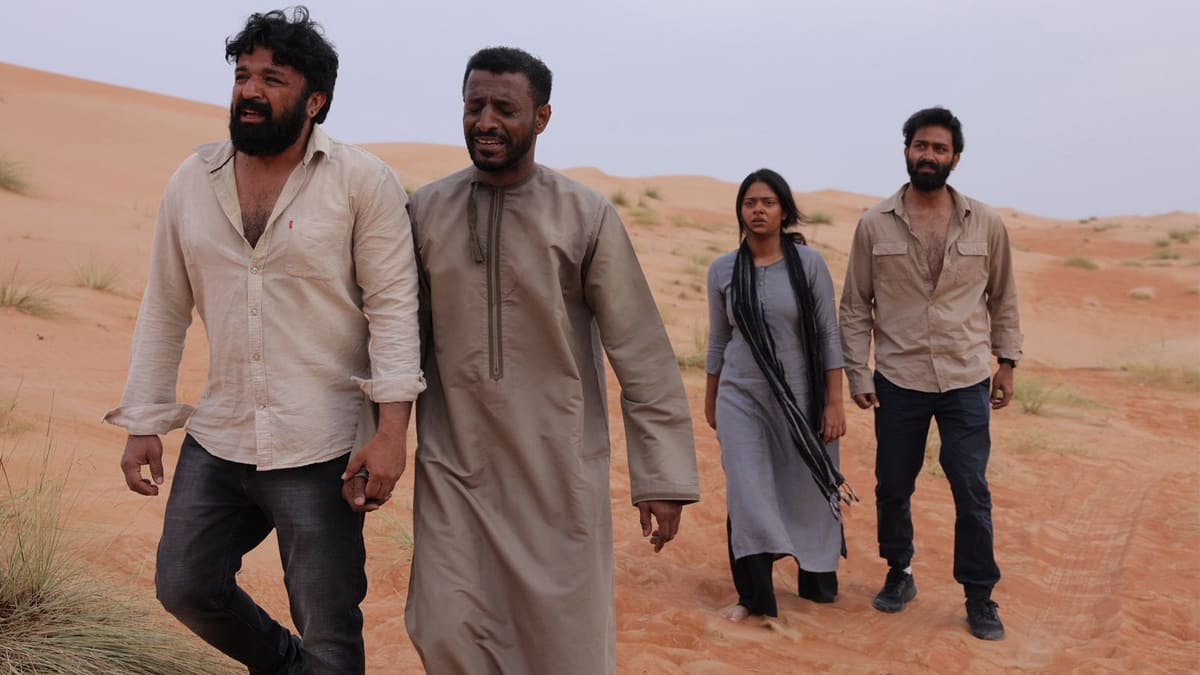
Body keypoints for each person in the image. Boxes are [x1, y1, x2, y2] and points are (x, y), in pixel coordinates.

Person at [103, 7, 424, 673]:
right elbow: (165, 306)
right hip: (221, 434)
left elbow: (395, 310)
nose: (249, 91)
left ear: (315, 100)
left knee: (330, 629)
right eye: (242, 76)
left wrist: (392, 432)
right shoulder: (194, 180)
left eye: (272, 79)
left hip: (322, 445)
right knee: (185, 585)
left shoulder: (362, 181)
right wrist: (144, 421)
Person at [403, 46, 700, 675]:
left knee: (561, 644)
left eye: (504, 109)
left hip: (559, 466)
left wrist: (662, 477)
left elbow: (640, 349)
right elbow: (397, 341)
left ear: (541, 118)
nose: (485, 121)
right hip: (456, 463)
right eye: (474, 106)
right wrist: (371, 442)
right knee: (445, 625)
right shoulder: (425, 210)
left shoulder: (583, 214)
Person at [839, 106, 1022, 641]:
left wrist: (1007, 362)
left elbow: (1003, 296)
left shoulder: (986, 222)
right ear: (906, 151)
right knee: (894, 484)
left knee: (971, 487)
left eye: (940, 148)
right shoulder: (874, 224)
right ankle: (900, 571)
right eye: (921, 146)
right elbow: (855, 305)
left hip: (966, 377)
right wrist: (858, 373)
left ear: (955, 158)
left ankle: (980, 595)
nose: (929, 155)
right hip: (899, 378)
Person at [703, 169, 849, 622]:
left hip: (802, 400)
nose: (758, 210)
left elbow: (828, 333)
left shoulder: (809, 265)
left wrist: (835, 401)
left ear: (784, 211)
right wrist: (711, 397)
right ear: (740, 212)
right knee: (746, 489)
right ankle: (754, 597)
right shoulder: (723, 270)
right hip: (741, 397)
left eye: (768, 202)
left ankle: (816, 572)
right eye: (750, 203)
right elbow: (718, 339)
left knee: (807, 487)